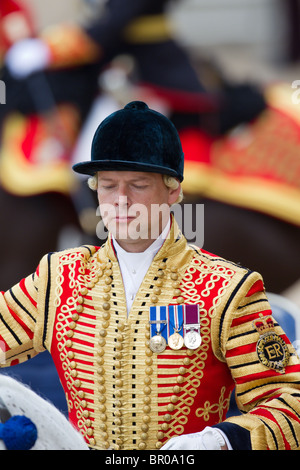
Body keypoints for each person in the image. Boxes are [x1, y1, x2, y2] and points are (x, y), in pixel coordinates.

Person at [0, 100, 300, 451]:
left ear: (173, 190)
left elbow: (289, 405)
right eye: (108, 185)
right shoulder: (59, 276)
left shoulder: (227, 288)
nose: (120, 200)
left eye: (138, 184)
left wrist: (219, 439)